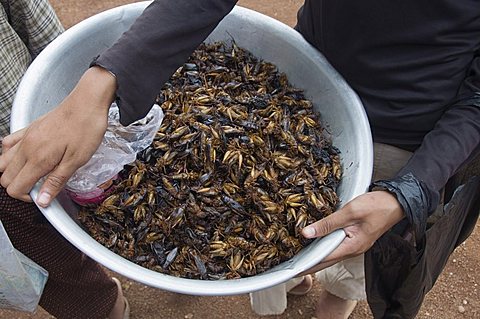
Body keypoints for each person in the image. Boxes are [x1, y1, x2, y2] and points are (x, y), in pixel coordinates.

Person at [0, 0, 479, 318]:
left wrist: (411, 188)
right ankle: (289, 284)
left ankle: (335, 301)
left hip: (408, 133)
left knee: (357, 248)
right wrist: (103, 79)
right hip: (305, 70)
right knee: (285, 250)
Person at [0, 1, 129, 318]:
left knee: (55, 252)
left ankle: (105, 309)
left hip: (24, 144)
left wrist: (74, 87)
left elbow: (31, 15)